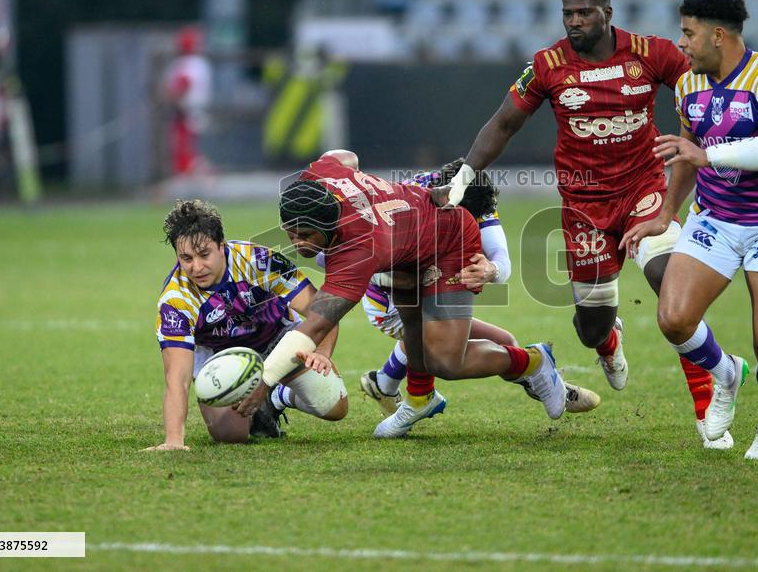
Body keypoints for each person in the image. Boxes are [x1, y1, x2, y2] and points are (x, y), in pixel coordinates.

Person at [440, 0, 727, 449]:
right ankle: (609, 341)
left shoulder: (650, 52)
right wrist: (466, 174)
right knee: (590, 327)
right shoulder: (547, 65)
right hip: (584, 209)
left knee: (670, 283)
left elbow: (703, 85)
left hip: (644, 191)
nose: (574, 22)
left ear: (607, 13)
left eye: (584, 14)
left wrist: (704, 133)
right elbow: (505, 122)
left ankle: (708, 412)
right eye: (568, 14)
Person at [234, 149, 572, 439]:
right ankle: (420, 398)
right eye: (290, 232)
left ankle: (534, 362)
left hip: (447, 239)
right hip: (406, 238)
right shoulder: (319, 179)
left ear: (329, 226)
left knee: (446, 361)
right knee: (411, 319)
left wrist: (265, 380)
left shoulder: (357, 249)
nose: (296, 243)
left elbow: (313, 328)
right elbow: (342, 157)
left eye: (306, 234)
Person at [621, 0, 758, 461]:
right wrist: (664, 214)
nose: (681, 43)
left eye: (688, 33)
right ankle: (726, 373)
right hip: (716, 219)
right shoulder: (688, 85)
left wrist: (708, 154)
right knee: (674, 317)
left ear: (718, 35)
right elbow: (685, 157)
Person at [357, 158, 600, 416]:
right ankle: (544, 375)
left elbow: (501, 258)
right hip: (388, 303)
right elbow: (348, 254)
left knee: (505, 341)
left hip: (423, 293)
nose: (467, 228)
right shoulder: (409, 203)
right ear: (445, 202)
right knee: (444, 355)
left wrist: (491, 269)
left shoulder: (472, 193)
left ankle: (384, 382)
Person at [143, 199, 347, 451]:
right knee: (230, 435)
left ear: (221, 245)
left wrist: (323, 353)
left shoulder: (258, 260)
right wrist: (174, 441)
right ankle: (257, 409)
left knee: (334, 407)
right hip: (220, 358)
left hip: (278, 340)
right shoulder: (175, 301)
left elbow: (322, 311)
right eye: (186, 258)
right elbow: (178, 378)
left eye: (204, 254)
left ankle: (278, 397)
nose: (196, 267)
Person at [163, 26, 212, 175]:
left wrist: (166, 97)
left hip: (186, 113)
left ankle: (199, 179)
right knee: (189, 150)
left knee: (184, 151)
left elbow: (183, 85)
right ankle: (199, 177)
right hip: (191, 112)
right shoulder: (200, 63)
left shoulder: (188, 63)